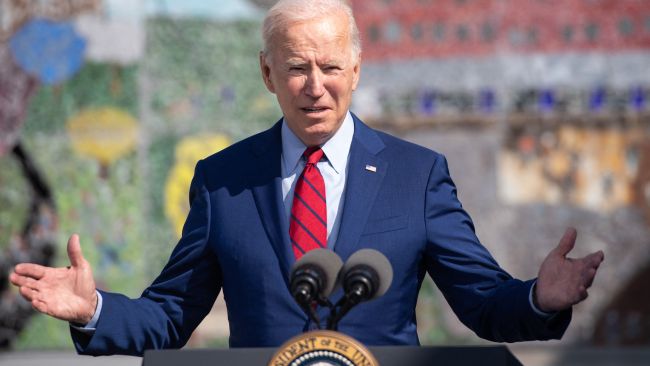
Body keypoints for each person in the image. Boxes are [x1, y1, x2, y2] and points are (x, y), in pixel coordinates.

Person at [10, 0, 604, 356]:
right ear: (268, 74)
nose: (314, 85)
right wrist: (93, 310)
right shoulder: (223, 180)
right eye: (296, 67)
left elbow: (481, 302)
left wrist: (538, 298)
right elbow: (169, 315)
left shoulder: (417, 175)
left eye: (329, 66)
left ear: (356, 69)